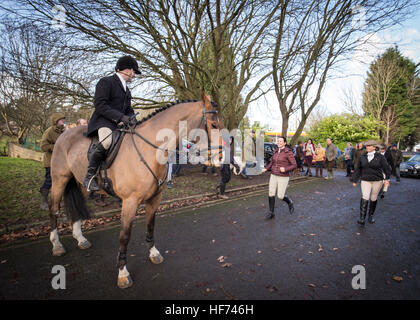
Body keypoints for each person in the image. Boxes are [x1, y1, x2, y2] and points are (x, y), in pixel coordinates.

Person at [84, 55, 140, 191]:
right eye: (133, 72)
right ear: (126, 70)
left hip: (119, 124)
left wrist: (132, 117)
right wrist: (121, 117)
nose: (134, 75)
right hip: (103, 121)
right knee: (107, 142)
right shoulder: (106, 82)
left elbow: (128, 109)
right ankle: (89, 175)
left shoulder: (127, 90)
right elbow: (100, 105)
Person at [352, 140, 391, 225]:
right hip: (365, 179)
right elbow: (358, 169)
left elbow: (386, 168)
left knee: (373, 198)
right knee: (365, 197)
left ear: (374, 147)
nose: (368, 147)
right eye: (367, 146)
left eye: (370, 146)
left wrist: (387, 179)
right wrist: (354, 179)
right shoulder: (363, 157)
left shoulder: (380, 157)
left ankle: (371, 216)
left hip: (377, 180)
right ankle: (362, 218)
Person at [261, 136, 297, 220]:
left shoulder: (288, 152)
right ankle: (271, 213)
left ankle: (289, 202)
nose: (279, 142)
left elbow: (294, 165)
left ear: (284, 143)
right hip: (273, 174)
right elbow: (272, 162)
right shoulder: (276, 151)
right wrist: (266, 169)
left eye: (281, 141)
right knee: (271, 193)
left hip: (283, 176)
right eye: (278, 141)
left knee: (280, 196)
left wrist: (285, 169)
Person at [39, 113, 66, 210]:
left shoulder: (63, 131)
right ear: (56, 121)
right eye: (61, 119)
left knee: (61, 181)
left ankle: (57, 201)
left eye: (63, 119)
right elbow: (43, 146)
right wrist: (57, 147)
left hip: (61, 162)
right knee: (49, 181)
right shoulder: (49, 131)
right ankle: (44, 201)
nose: (63, 121)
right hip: (50, 162)